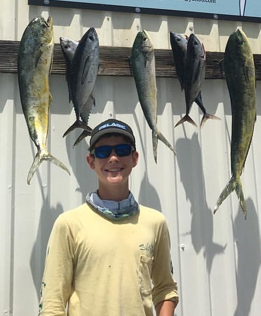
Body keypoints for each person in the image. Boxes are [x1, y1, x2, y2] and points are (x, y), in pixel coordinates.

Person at [39, 118, 179, 316]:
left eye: (121, 150)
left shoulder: (155, 222)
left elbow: (165, 289)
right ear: (91, 162)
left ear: (134, 158)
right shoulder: (69, 224)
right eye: (103, 152)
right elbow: (52, 304)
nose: (113, 158)